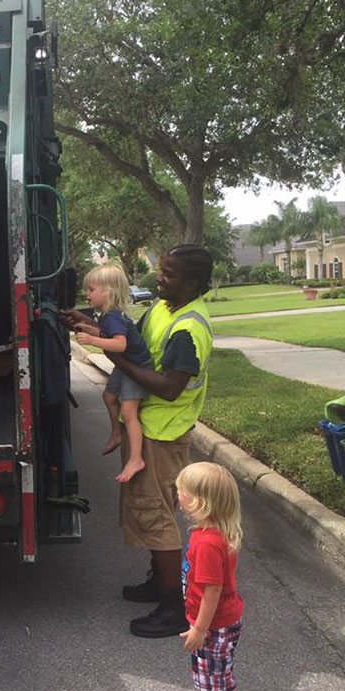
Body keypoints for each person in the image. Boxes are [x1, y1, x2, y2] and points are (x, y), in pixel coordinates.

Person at [103, 244, 214, 638]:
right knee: (150, 513)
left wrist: (116, 361)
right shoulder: (163, 309)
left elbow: (169, 388)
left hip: (163, 434)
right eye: (161, 270)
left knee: (158, 516)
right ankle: (159, 582)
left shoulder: (188, 329)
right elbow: (132, 339)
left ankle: (175, 606)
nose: (159, 278)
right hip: (149, 429)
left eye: (167, 273)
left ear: (193, 283)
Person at [177, 461, 243, 691]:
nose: (177, 493)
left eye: (182, 490)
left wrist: (200, 629)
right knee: (218, 671)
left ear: (198, 501)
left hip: (215, 624)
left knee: (221, 675)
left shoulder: (206, 544)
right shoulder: (211, 533)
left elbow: (212, 591)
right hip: (217, 621)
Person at [73, 264, 153, 482]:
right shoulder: (108, 316)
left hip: (136, 368)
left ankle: (136, 459)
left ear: (108, 292)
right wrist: (89, 329)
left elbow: (120, 344)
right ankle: (117, 433)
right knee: (108, 396)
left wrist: (91, 340)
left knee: (129, 413)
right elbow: (106, 333)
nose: (85, 294)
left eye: (90, 289)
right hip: (126, 365)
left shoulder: (113, 317)